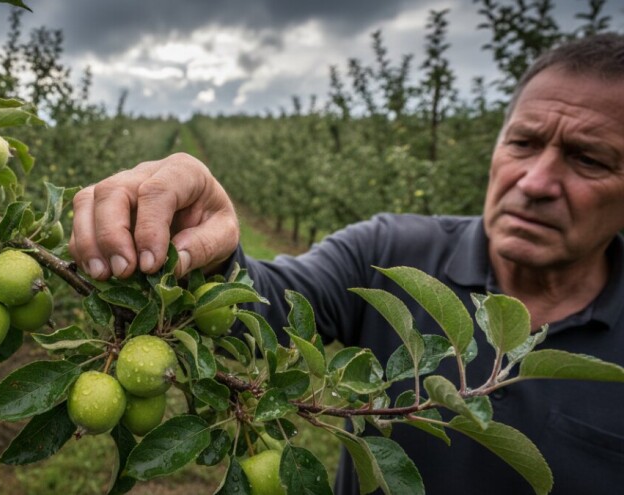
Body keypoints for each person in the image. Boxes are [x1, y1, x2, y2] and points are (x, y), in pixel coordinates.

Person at [69, 34, 624, 494]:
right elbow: (267, 305)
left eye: (588, 159)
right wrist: (202, 251)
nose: (535, 182)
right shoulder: (388, 253)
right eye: (523, 143)